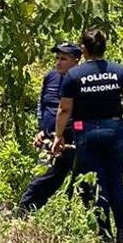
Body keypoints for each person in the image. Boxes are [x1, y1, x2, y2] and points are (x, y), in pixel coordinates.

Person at [51, 29, 123, 243]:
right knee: (116, 181)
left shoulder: (74, 75)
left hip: (86, 130)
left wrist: (58, 136)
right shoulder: (118, 71)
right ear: (104, 48)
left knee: (98, 182)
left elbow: (64, 110)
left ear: (84, 49)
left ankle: (105, 235)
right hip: (115, 129)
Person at [18, 42, 82, 213]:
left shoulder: (81, 81)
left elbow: (82, 114)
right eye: (57, 58)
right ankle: (23, 213)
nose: (58, 62)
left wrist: (72, 133)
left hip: (73, 141)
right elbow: (42, 105)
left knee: (85, 182)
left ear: (75, 62)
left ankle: (94, 223)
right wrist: (41, 129)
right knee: (43, 177)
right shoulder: (51, 77)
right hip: (49, 139)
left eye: (63, 59)